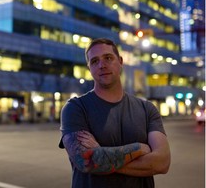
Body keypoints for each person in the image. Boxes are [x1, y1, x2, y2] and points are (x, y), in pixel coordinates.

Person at [59, 38, 171, 188]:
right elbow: (85, 162)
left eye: (108, 58)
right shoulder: (75, 108)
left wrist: (101, 156)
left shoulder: (147, 109)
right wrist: (139, 148)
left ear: (120, 62)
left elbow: (162, 163)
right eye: (94, 61)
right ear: (89, 68)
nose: (102, 65)